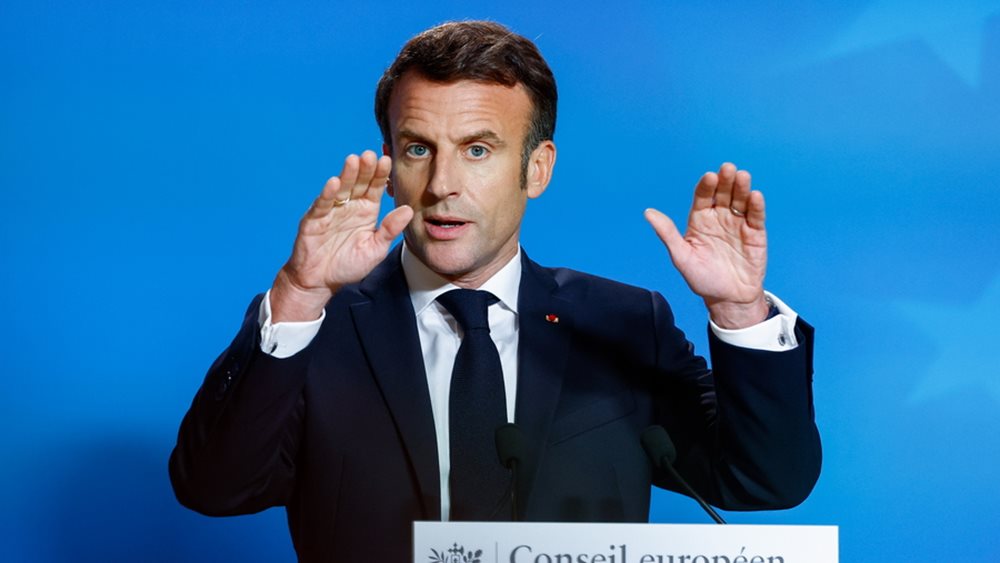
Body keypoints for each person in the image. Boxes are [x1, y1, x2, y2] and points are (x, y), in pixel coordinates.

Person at [169, 20, 820, 562]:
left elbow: (765, 480)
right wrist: (298, 292)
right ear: (389, 166)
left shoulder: (625, 322)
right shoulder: (316, 325)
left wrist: (738, 310)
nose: (441, 184)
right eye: (418, 149)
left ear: (536, 168)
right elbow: (213, 488)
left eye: (477, 150)